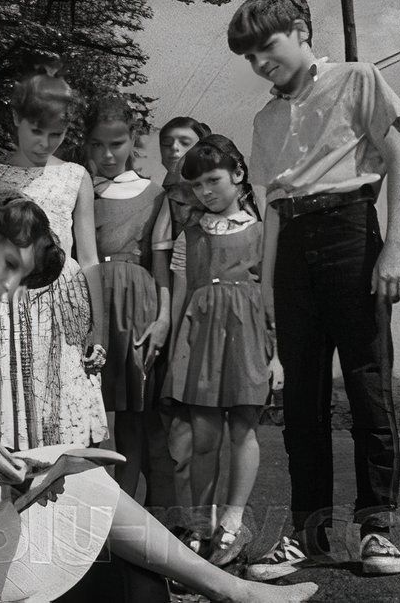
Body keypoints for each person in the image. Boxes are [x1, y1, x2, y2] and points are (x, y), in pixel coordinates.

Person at [0, 186, 318, 603]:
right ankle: (233, 591)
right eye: (10, 265)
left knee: (87, 493)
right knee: (101, 528)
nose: (9, 286)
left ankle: (227, 590)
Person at [228, 0, 400, 580]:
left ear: (302, 30)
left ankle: (377, 532)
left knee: (366, 387)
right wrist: (266, 288)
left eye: (268, 45)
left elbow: (397, 156)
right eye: (249, 55)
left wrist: (394, 247)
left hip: (352, 234)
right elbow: (274, 204)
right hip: (292, 253)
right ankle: (307, 534)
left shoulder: (359, 78)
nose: (261, 62)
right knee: (302, 402)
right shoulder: (264, 118)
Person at [0, 57, 108, 450]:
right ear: (15, 118)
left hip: (64, 308)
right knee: (8, 431)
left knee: (62, 425)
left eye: (57, 134)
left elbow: (90, 258)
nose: (45, 144)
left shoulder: (76, 176)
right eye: (36, 131)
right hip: (6, 307)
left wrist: (99, 326)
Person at [164, 135, 275, 567]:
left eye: (213, 180)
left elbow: (271, 294)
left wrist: (277, 352)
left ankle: (232, 522)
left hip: (248, 339)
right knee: (204, 437)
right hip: (202, 341)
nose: (206, 191)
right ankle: (200, 525)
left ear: (238, 175)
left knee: (243, 430)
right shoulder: (188, 235)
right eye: (196, 186)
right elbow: (179, 297)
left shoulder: (263, 231)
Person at [85, 95, 167, 497]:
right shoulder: (81, 191)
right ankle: (90, 505)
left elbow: (161, 264)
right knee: (88, 410)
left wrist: (160, 319)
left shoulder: (153, 194)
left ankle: (128, 507)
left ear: (132, 140)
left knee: (134, 412)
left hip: (137, 305)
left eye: (116, 144)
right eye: (97, 144)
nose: (107, 154)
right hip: (88, 305)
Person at [149, 115, 212, 543]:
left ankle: (209, 526)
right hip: (178, 314)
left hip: (219, 316)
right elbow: (162, 264)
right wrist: (167, 317)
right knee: (175, 423)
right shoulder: (167, 196)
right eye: (167, 142)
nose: (174, 150)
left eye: (183, 142)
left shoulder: (224, 196)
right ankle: (179, 525)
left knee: (212, 426)